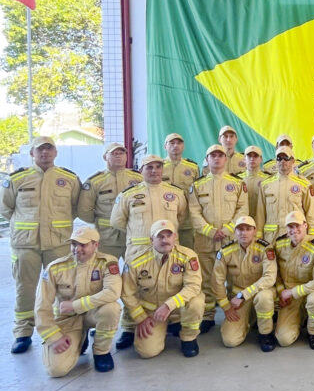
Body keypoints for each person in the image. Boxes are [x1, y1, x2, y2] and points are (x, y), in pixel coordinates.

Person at [1, 136, 81, 354]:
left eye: (49, 149)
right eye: (40, 150)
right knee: (24, 288)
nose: (45, 153)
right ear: (32, 154)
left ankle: (65, 327)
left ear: (55, 153)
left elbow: (75, 208)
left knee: (64, 288)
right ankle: (23, 333)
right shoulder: (18, 179)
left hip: (58, 242)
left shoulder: (69, 179)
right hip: (26, 245)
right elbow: (6, 208)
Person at [110, 154, 188, 349]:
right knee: (132, 286)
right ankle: (129, 326)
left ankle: (174, 320)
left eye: (157, 167)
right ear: (141, 170)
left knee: (172, 280)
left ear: (163, 169)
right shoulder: (129, 195)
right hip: (138, 249)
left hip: (167, 247)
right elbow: (117, 221)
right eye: (149, 167)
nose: (154, 170)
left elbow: (182, 216)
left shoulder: (175, 193)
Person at [35, 227, 120, 376]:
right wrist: (54, 337)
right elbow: (41, 307)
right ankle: (80, 338)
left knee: (111, 309)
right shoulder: (55, 268)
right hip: (68, 320)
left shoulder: (107, 263)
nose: (77, 249)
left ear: (96, 245)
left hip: (93, 315)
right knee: (56, 370)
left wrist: (75, 305)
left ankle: (101, 352)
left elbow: (113, 292)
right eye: (74, 244)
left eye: (83, 245)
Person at [188, 144, 249, 333]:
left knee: (233, 277)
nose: (216, 158)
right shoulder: (197, 185)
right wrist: (210, 231)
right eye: (212, 155)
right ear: (206, 159)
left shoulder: (237, 183)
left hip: (231, 239)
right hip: (206, 240)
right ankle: (207, 316)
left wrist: (229, 228)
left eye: (220, 155)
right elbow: (194, 212)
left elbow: (242, 208)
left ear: (225, 159)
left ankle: (233, 312)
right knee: (207, 278)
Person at [121, 220, 204, 358]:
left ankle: (188, 338)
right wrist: (140, 317)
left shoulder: (188, 256)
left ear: (175, 237)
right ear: (151, 239)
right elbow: (127, 293)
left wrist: (169, 305)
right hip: (152, 312)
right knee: (146, 352)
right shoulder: (135, 261)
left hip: (177, 308)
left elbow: (193, 286)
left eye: (168, 236)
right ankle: (163, 329)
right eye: (160, 236)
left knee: (196, 302)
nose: (165, 240)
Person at [211, 216, 277, 352]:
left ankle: (265, 333)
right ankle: (249, 321)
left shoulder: (265, 248)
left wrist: (243, 294)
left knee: (264, 298)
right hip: (237, 299)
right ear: (235, 232)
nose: (244, 233)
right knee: (230, 340)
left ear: (255, 231)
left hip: (259, 292)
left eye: (248, 229)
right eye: (240, 229)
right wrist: (226, 307)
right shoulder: (225, 251)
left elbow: (269, 278)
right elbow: (217, 281)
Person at [273, 211, 314, 349]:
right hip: (289, 296)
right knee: (283, 339)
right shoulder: (279, 244)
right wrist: (281, 291)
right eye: (290, 227)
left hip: (310, 291)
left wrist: (292, 292)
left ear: (305, 225)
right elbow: (275, 272)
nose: (294, 230)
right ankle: (300, 317)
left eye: (297, 226)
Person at [78, 142, 143, 259]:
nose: (118, 156)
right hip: (106, 239)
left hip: (133, 236)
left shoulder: (138, 179)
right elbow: (84, 210)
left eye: (121, 153)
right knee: (106, 273)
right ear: (105, 157)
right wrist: (101, 221)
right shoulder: (95, 181)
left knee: (135, 274)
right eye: (114, 153)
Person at [256, 145, 314, 242]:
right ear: (276, 161)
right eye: (279, 158)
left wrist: (312, 236)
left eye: (286, 158)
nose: (282, 161)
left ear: (293, 161)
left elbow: (311, 212)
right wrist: (258, 236)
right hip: (271, 238)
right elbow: (260, 214)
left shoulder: (304, 184)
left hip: (295, 236)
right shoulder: (266, 184)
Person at [162, 133, 200, 247]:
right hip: (164, 218)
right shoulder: (158, 166)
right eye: (172, 143)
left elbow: (197, 194)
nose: (175, 146)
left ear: (183, 146)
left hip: (186, 221)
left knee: (187, 252)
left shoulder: (192, 167)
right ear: (165, 146)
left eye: (179, 143)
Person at [238, 145, 271, 218]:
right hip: (242, 222)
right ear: (244, 159)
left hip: (262, 219)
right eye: (249, 156)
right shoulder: (238, 179)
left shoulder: (268, 179)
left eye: (255, 156)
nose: (252, 159)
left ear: (261, 159)